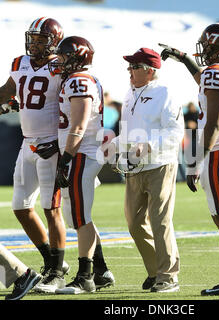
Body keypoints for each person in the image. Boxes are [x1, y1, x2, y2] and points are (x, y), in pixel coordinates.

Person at [161, 22, 219, 296]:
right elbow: (207, 82)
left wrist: (194, 161)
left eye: (207, 45)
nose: (203, 50)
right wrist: (185, 59)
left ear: (216, 46)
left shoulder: (215, 73)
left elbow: (212, 124)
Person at [103, 47, 184, 293]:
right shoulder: (129, 93)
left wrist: (149, 145)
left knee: (160, 221)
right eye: (129, 66)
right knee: (134, 222)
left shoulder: (165, 92)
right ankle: (154, 271)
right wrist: (115, 143)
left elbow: (175, 131)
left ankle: (168, 277)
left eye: (135, 66)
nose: (129, 70)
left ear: (150, 71)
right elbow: (128, 130)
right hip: (134, 166)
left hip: (160, 164)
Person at [0, 17, 69, 294]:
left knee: (52, 210)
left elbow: (71, 104)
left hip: (50, 144)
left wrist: (63, 143)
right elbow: (8, 91)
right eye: (33, 38)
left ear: (53, 41)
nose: (34, 44)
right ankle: (51, 262)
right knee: (21, 207)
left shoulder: (62, 65)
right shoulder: (20, 63)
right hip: (27, 143)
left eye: (41, 39)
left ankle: (57, 270)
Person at [45, 36, 114, 294]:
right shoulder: (79, 79)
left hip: (82, 153)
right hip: (81, 153)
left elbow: (78, 126)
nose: (59, 61)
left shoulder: (79, 81)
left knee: (80, 217)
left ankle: (85, 277)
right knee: (77, 215)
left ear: (76, 57)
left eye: (63, 56)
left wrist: (65, 159)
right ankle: (101, 270)